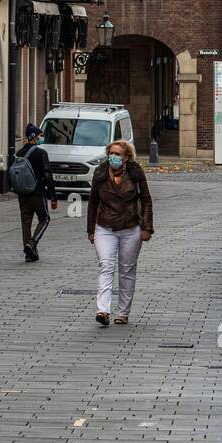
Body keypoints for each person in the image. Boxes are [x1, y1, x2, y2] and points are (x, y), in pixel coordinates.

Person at [87, 139, 153, 327]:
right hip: (104, 226)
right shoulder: (100, 172)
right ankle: (103, 310)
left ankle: (123, 313)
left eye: (118, 154)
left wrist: (147, 227)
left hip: (130, 227)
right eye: (111, 153)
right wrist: (91, 229)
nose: (113, 157)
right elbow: (93, 202)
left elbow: (146, 200)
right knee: (106, 266)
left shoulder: (135, 172)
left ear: (126, 157)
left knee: (126, 270)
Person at [13, 122, 58, 262]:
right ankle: (32, 243)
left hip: (22, 194)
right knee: (44, 219)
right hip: (38, 193)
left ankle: (29, 254)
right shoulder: (41, 153)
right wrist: (53, 196)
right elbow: (47, 175)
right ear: (33, 137)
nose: (41, 138)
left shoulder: (18, 154)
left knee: (26, 222)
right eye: (40, 136)